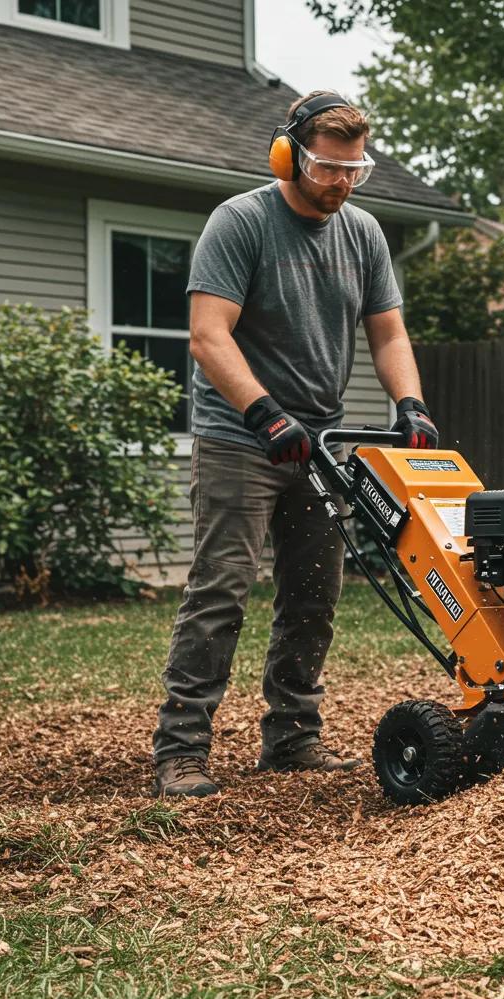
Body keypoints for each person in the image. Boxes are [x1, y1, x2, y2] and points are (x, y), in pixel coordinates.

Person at [151, 90, 438, 797]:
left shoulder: (364, 234)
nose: (342, 182)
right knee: (221, 588)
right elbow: (208, 335)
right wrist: (264, 414)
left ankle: (292, 737)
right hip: (240, 437)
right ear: (290, 155)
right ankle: (181, 749)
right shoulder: (241, 222)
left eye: (354, 170)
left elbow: (389, 332)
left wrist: (412, 404)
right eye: (328, 168)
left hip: (318, 444)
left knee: (315, 593)